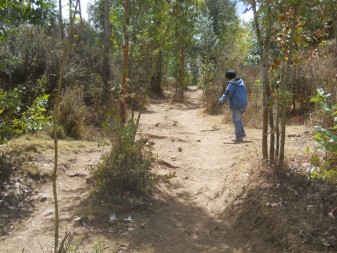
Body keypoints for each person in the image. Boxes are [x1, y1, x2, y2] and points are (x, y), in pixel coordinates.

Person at [219, 70, 248, 142]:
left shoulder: (232, 84)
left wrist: (221, 100)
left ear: (228, 77)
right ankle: (242, 133)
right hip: (244, 103)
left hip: (237, 104)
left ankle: (239, 137)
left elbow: (227, 93)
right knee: (238, 118)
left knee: (236, 120)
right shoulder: (241, 82)